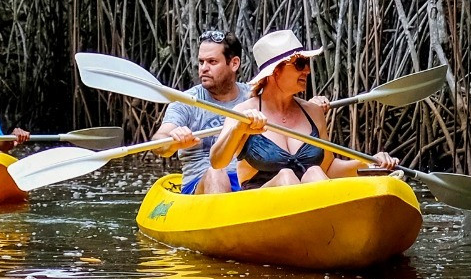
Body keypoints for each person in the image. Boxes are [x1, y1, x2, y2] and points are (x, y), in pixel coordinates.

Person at [205, 30, 394, 191]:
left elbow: (329, 168)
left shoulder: (313, 112)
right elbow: (217, 162)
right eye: (300, 64)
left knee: (315, 172)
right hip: (261, 207)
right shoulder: (243, 112)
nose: (307, 71)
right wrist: (237, 128)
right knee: (286, 176)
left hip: (308, 204)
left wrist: (368, 163)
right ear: (275, 72)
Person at [152, 30, 248, 193]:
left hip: (246, 182)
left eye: (212, 62)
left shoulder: (253, 96)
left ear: (234, 64)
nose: (203, 68)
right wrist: (173, 139)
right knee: (217, 172)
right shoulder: (186, 101)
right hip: (201, 184)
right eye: (201, 62)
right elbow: (158, 143)